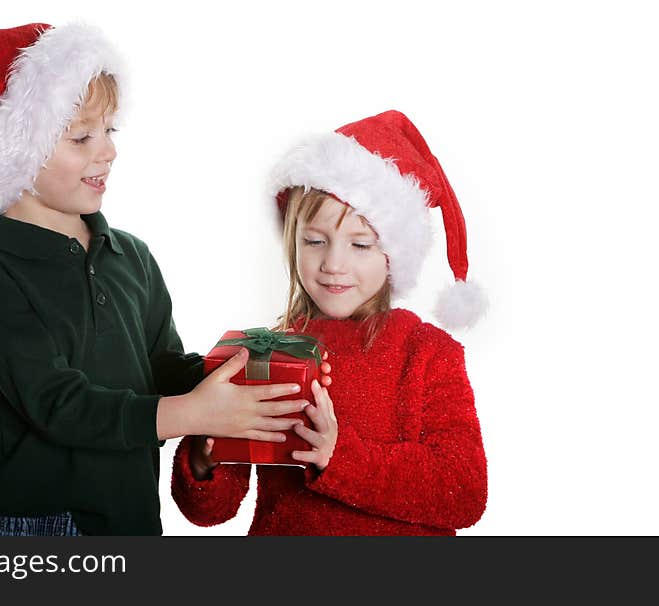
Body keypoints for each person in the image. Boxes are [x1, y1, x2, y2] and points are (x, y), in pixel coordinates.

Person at [0, 22, 311, 536]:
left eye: (109, 131)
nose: (108, 151)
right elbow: (56, 404)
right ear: (14, 150)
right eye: (81, 136)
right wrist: (189, 413)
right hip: (33, 529)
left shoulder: (132, 257)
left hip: (131, 520)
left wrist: (237, 376)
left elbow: (162, 367)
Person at [172, 110, 489, 535]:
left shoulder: (428, 353)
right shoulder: (266, 351)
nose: (334, 264)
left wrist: (339, 456)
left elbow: (462, 491)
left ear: (393, 253)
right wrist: (204, 456)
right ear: (293, 241)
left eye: (360, 244)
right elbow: (211, 510)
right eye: (316, 241)